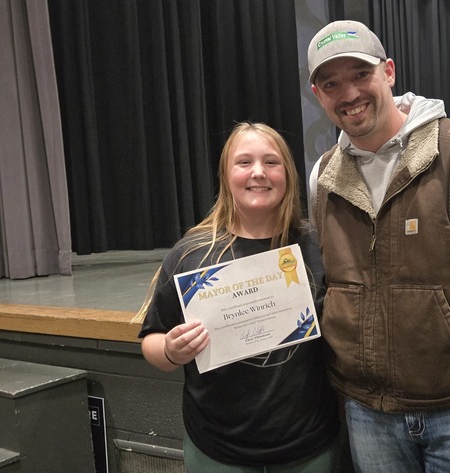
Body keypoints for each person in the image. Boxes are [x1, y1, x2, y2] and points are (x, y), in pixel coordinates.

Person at [305, 20, 450, 473]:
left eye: (360, 74)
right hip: (367, 414)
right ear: (319, 96)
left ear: (388, 72)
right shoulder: (323, 176)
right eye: (331, 83)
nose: (348, 93)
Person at [138, 122, 341, 472]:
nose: (258, 172)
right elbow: (151, 340)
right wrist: (171, 350)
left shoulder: (317, 246)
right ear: (225, 175)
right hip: (218, 451)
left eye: (271, 162)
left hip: (310, 448)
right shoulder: (192, 255)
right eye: (244, 162)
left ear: (288, 174)